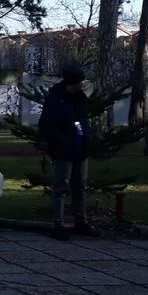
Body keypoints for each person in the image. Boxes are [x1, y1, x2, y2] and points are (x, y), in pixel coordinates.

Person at [39, 65, 100, 240]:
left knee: (80, 186)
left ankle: (81, 222)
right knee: (61, 186)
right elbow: (47, 126)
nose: (82, 85)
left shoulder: (79, 99)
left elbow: (83, 121)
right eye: (79, 82)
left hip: (80, 148)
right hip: (64, 150)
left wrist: (87, 140)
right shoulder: (56, 99)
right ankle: (58, 224)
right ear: (72, 83)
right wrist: (63, 142)